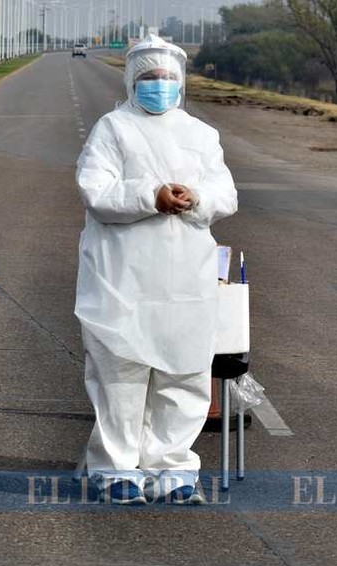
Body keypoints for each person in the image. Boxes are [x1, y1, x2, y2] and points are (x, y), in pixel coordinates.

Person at [74, 35, 238, 505]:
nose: (158, 86)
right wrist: (152, 196)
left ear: (181, 82)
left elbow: (225, 193)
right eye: (148, 77)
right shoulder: (113, 129)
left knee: (184, 370)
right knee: (120, 373)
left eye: (167, 78)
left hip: (185, 276)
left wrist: (195, 196)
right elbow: (96, 191)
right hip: (121, 275)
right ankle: (116, 468)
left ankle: (173, 466)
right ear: (131, 80)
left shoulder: (201, 135)